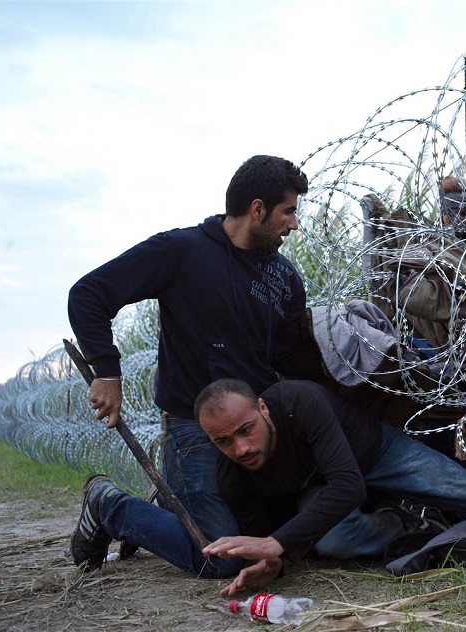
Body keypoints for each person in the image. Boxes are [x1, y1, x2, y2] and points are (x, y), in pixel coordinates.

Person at [67, 155, 324, 578]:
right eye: (288, 211)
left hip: (258, 430)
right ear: (257, 210)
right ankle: (108, 505)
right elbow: (90, 294)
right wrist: (106, 371)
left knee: (283, 541)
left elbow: (285, 356)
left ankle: (170, 501)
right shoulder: (182, 251)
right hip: (196, 432)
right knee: (222, 561)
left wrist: (348, 369)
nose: (294, 224)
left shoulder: (283, 277)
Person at [193, 378, 466, 596]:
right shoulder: (232, 476)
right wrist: (270, 564)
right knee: (335, 542)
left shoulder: (300, 401)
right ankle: (410, 523)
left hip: (374, 453)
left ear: (263, 408)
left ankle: (411, 503)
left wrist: (277, 543)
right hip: (325, 485)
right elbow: (264, 546)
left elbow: (349, 486)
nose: (241, 448)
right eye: (223, 441)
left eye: (247, 430)